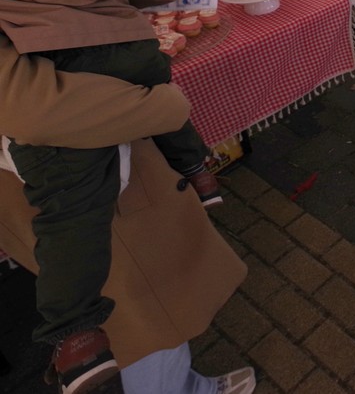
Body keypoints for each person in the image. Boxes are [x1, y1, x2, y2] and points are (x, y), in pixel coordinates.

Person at [0, 0, 223, 393]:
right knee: (162, 95)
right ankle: (199, 170)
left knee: (68, 211)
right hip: (125, 54)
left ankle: (76, 335)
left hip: (59, 82)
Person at [0, 37, 253, 394]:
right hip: (76, 167)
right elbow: (33, 104)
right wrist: (164, 106)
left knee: (137, 301)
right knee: (144, 310)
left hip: (58, 167)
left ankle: (182, 383)